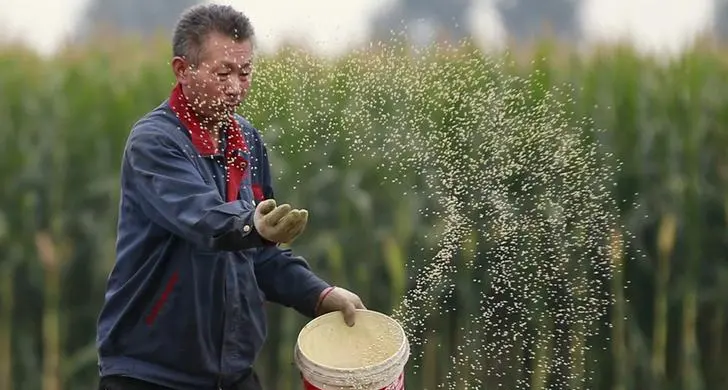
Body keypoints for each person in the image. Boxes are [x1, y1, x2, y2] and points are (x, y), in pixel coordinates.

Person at [95, 4, 366, 390]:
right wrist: (251, 224)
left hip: (231, 375)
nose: (236, 87)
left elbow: (259, 254)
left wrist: (320, 295)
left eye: (245, 72)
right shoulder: (154, 142)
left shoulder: (248, 141)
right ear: (182, 70)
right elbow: (203, 219)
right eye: (222, 73)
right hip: (150, 375)